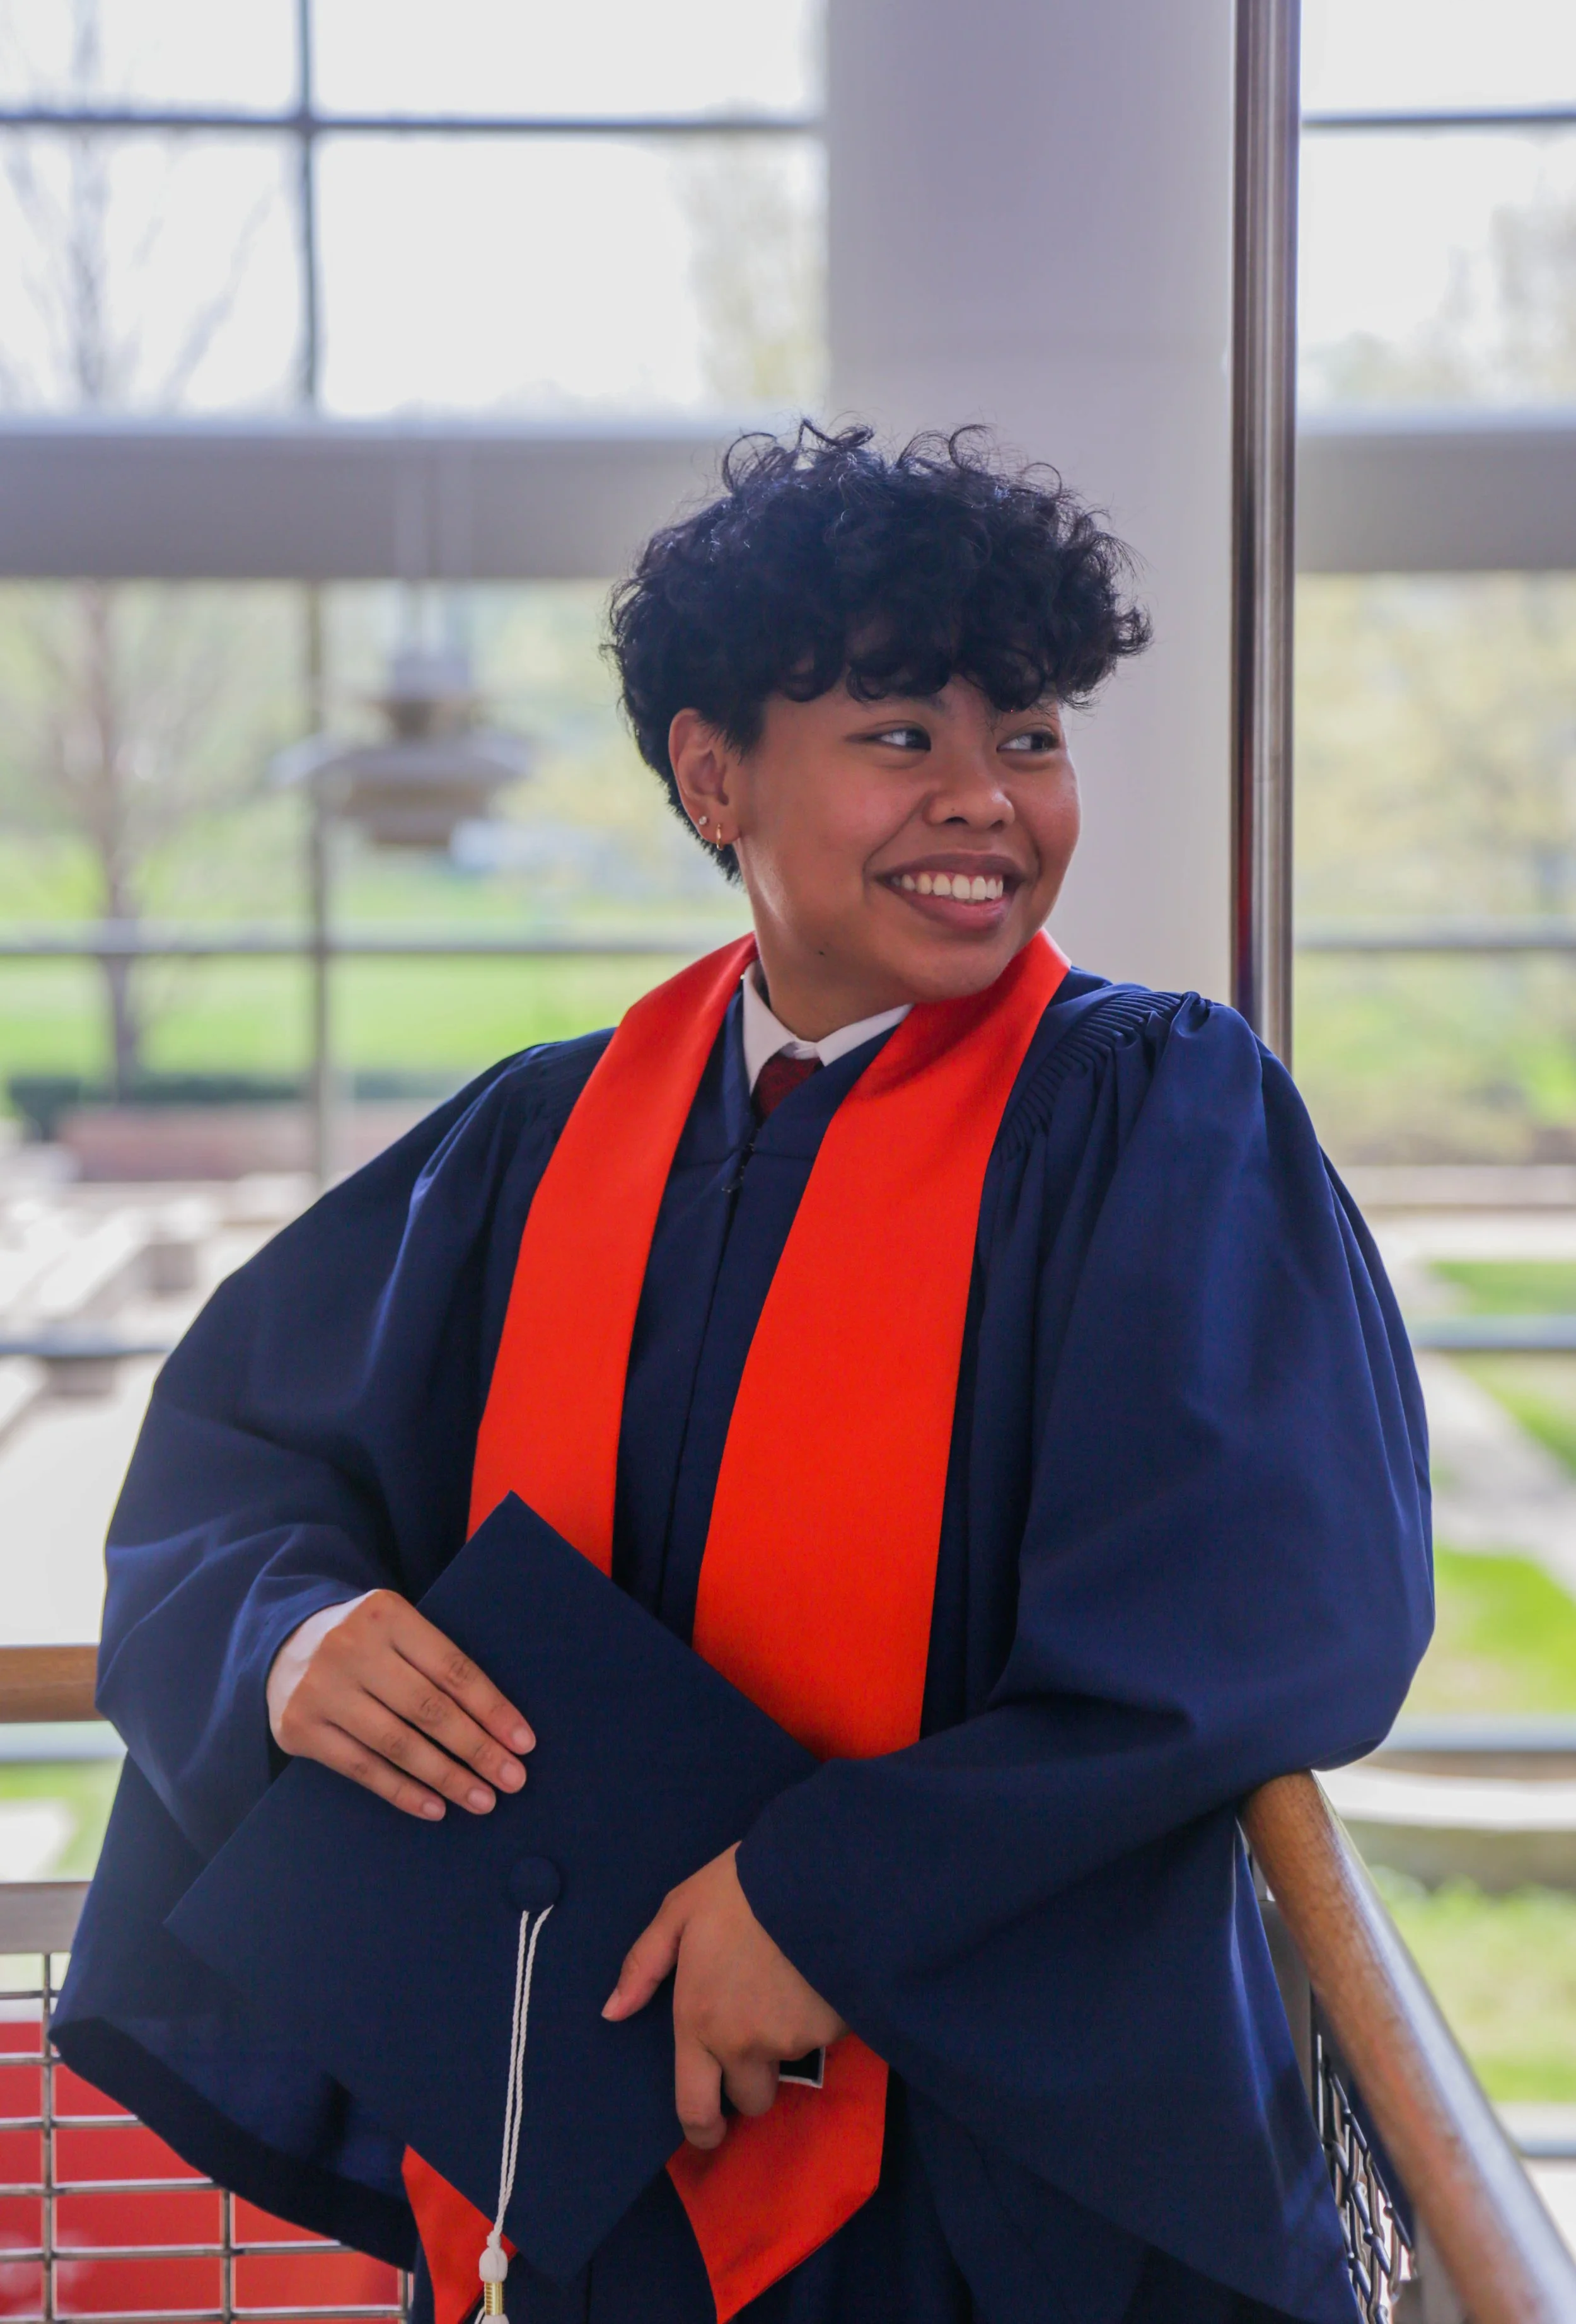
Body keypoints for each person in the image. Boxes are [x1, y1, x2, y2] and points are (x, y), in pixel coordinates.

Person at [59, 424, 1432, 2324]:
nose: (984, 803)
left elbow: (1268, 1609)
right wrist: (290, 1644)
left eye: (1024, 736)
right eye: (898, 738)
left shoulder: (1156, 1115)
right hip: (612, 2146)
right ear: (715, 776)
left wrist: (820, 1901)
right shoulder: (545, 1140)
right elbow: (234, 1468)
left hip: (1018, 2179)